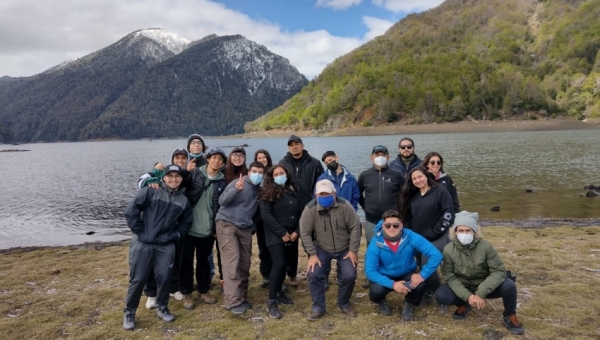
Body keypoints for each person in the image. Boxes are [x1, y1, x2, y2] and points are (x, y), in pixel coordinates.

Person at [123, 164, 193, 330]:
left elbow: (186, 222)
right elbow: (131, 211)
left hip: (165, 245)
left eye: (177, 176)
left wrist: (175, 235)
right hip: (142, 243)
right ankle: (129, 312)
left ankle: (162, 307)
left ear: (181, 179)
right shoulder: (151, 191)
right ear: (164, 177)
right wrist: (139, 231)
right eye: (170, 176)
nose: (173, 179)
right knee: (138, 279)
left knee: (164, 278)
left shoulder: (183, 200)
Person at [435, 211, 525, 335]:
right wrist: (468, 296)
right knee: (441, 295)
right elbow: (449, 276)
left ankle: (510, 315)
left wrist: (480, 293)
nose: (464, 234)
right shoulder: (448, 250)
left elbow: (498, 271)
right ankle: (466, 303)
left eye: (468, 230)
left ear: (474, 232)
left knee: (509, 285)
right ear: (455, 231)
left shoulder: (486, 247)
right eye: (461, 230)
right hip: (464, 285)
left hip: (485, 285)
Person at [299, 179, 361, 321]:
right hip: (322, 248)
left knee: (350, 274)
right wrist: (312, 254)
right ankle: (318, 307)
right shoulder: (310, 209)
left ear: (334, 193)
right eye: (321, 194)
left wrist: (353, 250)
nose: (324, 196)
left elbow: (355, 227)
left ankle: (343, 303)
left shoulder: (345, 206)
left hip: (344, 248)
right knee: (313, 274)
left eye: (327, 193)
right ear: (316, 195)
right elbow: (305, 233)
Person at [365, 210, 442, 321]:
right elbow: (370, 271)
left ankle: (409, 303)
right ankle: (381, 301)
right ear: (383, 226)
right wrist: (393, 284)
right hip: (384, 274)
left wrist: (422, 275)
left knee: (420, 285)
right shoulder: (375, 243)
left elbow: (436, 255)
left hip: (406, 272)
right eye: (388, 225)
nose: (392, 228)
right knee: (375, 291)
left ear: (401, 225)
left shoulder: (411, 236)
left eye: (395, 225)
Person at [138, 148, 189, 309]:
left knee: (173, 261)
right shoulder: (162, 173)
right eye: (177, 157)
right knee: (151, 264)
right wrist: (151, 178)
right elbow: (141, 181)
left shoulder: (186, 175)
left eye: (183, 158)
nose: (180, 160)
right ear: (172, 159)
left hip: (173, 228)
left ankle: (173, 289)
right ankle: (151, 294)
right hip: (154, 228)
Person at [400, 166, 455, 312]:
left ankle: (440, 295)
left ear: (427, 176)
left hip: (435, 237)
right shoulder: (413, 194)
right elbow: (408, 216)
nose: (418, 180)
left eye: (420, 177)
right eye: (414, 179)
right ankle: (429, 290)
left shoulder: (440, 191)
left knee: (426, 265)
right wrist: (409, 233)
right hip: (417, 237)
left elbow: (448, 215)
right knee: (419, 263)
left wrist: (433, 232)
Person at [179, 148, 227, 310]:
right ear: (208, 159)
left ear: (222, 163)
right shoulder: (195, 173)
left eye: (220, 159)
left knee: (204, 263)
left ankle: (203, 290)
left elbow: (220, 206)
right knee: (185, 262)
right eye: (214, 158)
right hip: (188, 228)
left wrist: (216, 227)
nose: (216, 161)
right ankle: (186, 293)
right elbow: (179, 186)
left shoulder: (222, 181)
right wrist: (185, 172)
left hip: (207, 229)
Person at [215, 161, 265, 315]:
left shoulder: (259, 190)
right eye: (254, 171)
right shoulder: (238, 182)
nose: (257, 174)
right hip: (227, 224)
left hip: (245, 227)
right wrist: (235, 191)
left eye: (260, 172)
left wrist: (253, 227)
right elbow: (222, 201)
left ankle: (241, 297)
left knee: (245, 262)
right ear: (249, 172)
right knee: (232, 262)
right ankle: (232, 302)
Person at [357, 145, 405, 288]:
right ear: (372, 157)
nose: (380, 157)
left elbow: (405, 195)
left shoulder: (396, 175)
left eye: (383, 154)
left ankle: (394, 273)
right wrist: (367, 208)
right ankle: (370, 275)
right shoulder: (365, 175)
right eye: (377, 154)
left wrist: (399, 212)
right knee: (373, 248)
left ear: (388, 157)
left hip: (392, 221)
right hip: (372, 220)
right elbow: (358, 195)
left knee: (394, 247)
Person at [259, 164, 302, 318]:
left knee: (286, 265)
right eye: (276, 174)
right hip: (275, 235)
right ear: (271, 177)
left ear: (287, 174)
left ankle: (279, 292)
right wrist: (282, 232)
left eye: (281, 173)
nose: (279, 176)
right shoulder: (267, 193)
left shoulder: (292, 191)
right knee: (279, 264)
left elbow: (300, 213)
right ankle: (271, 301)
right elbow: (266, 216)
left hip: (292, 235)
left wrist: (297, 231)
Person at [318, 150, 360, 285]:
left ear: (337, 157)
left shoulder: (350, 178)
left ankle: (341, 274)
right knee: (326, 247)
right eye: (327, 163)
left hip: (346, 217)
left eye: (331, 160)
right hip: (328, 217)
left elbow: (355, 196)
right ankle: (324, 277)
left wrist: (351, 211)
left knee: (345, 245)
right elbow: (318, 197)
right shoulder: (323, 179)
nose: (330, 163)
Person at [279, 135, 324, 208]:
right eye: (291, 145)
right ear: (288, 148)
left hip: (310, 205)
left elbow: (321, 184)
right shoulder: (282, 164)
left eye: (297, 144)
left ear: (302, 145)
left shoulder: (315, 163)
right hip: (289, 207)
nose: (294, 147)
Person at [254, 149, 274, 288]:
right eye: (259, 157)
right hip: (259, 218)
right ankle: (266, 276)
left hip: (273, 216)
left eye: (264, 157)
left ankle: (277, 275)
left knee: (274, 247)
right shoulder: (254, 176)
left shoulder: (274, 174)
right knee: (262, 247)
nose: (262, 159)